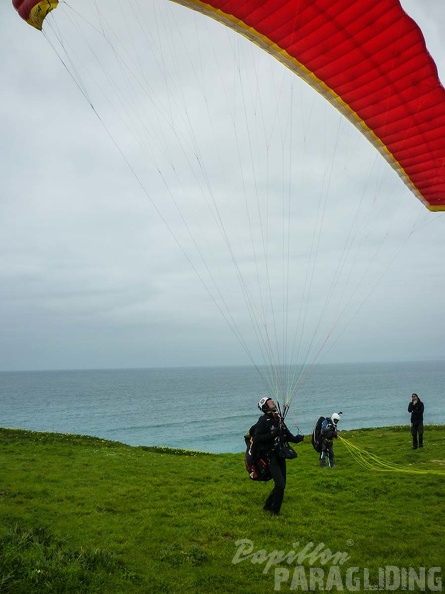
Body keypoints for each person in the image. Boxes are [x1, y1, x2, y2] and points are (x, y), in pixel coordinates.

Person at [251, 397, 304, 516]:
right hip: (270, 457)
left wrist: (297, 439)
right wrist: (272, 433)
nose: (273, 403)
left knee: (281, 484)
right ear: (265, 407)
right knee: (280, 484)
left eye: (272, 401)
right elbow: (257, 438)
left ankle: (267, 506)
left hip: (280, 455)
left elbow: (287, 435)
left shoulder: (278, 419)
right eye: (270, 403)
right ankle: (274, 512)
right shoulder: (263, 421)